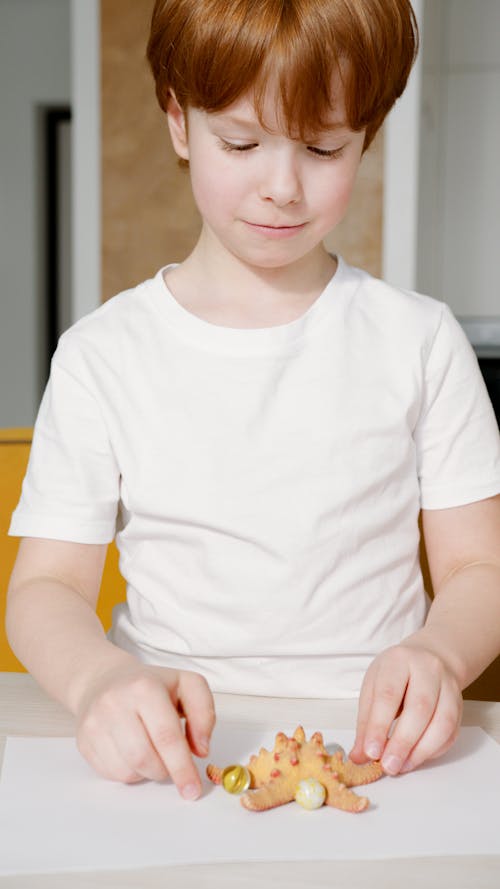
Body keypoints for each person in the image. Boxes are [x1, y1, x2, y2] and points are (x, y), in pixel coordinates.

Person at [6, 0, 500, 804]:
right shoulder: (103, 355)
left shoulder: (419, 341)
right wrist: (99, 679)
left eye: (322, 146)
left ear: (366, 135)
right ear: (179, 122)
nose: (282, 186)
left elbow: (480, 563)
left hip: (380, 747)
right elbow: (44, 590)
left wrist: (440, 653)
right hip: (169, 752)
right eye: (240, 142)